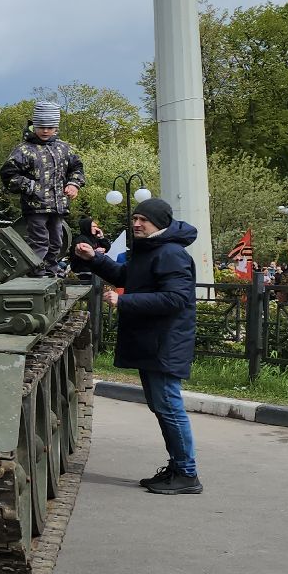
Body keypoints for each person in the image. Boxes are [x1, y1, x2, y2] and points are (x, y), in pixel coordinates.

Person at [74, 197, 201, 495]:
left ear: (160, 223)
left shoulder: (171, 253)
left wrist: (124, 301)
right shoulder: (151, 249)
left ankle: (187, 472)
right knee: (161, 405)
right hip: (153, 340)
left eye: (143, 219)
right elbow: (126, 276)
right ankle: (178, 466)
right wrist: (95, 258)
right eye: (134, 218)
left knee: (168, 406)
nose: (136, 224)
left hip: (165, 342)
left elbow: (177, 299)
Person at [0, 101, 85, 277]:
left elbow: (77, 168)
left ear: (56, 128)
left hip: (58, 205)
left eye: (50, 127)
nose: (45, 131)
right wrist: (30, 186)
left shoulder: (63, 148)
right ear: (34, 126)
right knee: (39, 241)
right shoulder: (24, 150)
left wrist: (73, 184)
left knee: (57, 242)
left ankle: (51, 272)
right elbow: (8, 174)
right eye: (41, 127)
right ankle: (36, 273)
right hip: (35, 205)